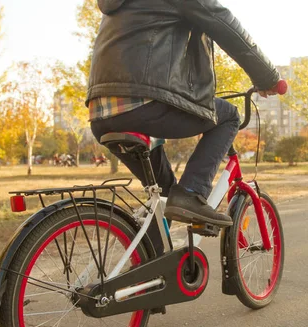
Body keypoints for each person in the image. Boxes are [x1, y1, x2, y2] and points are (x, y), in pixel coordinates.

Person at [88, 0, 282, 227]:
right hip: (144, 101)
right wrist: (268, 77)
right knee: (228, 116)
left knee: (164, 195)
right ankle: (192, 192)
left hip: (100, 112)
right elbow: (222, 22)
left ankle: (151, 257)